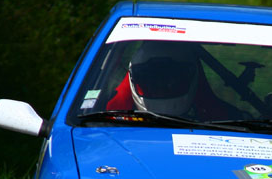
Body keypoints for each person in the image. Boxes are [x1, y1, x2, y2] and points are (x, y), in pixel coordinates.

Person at [105, 41, 246, 121]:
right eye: (152, 80)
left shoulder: (224, 120)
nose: (160, 87)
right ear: (134, 79)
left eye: (170, 80)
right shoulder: (104, 116)